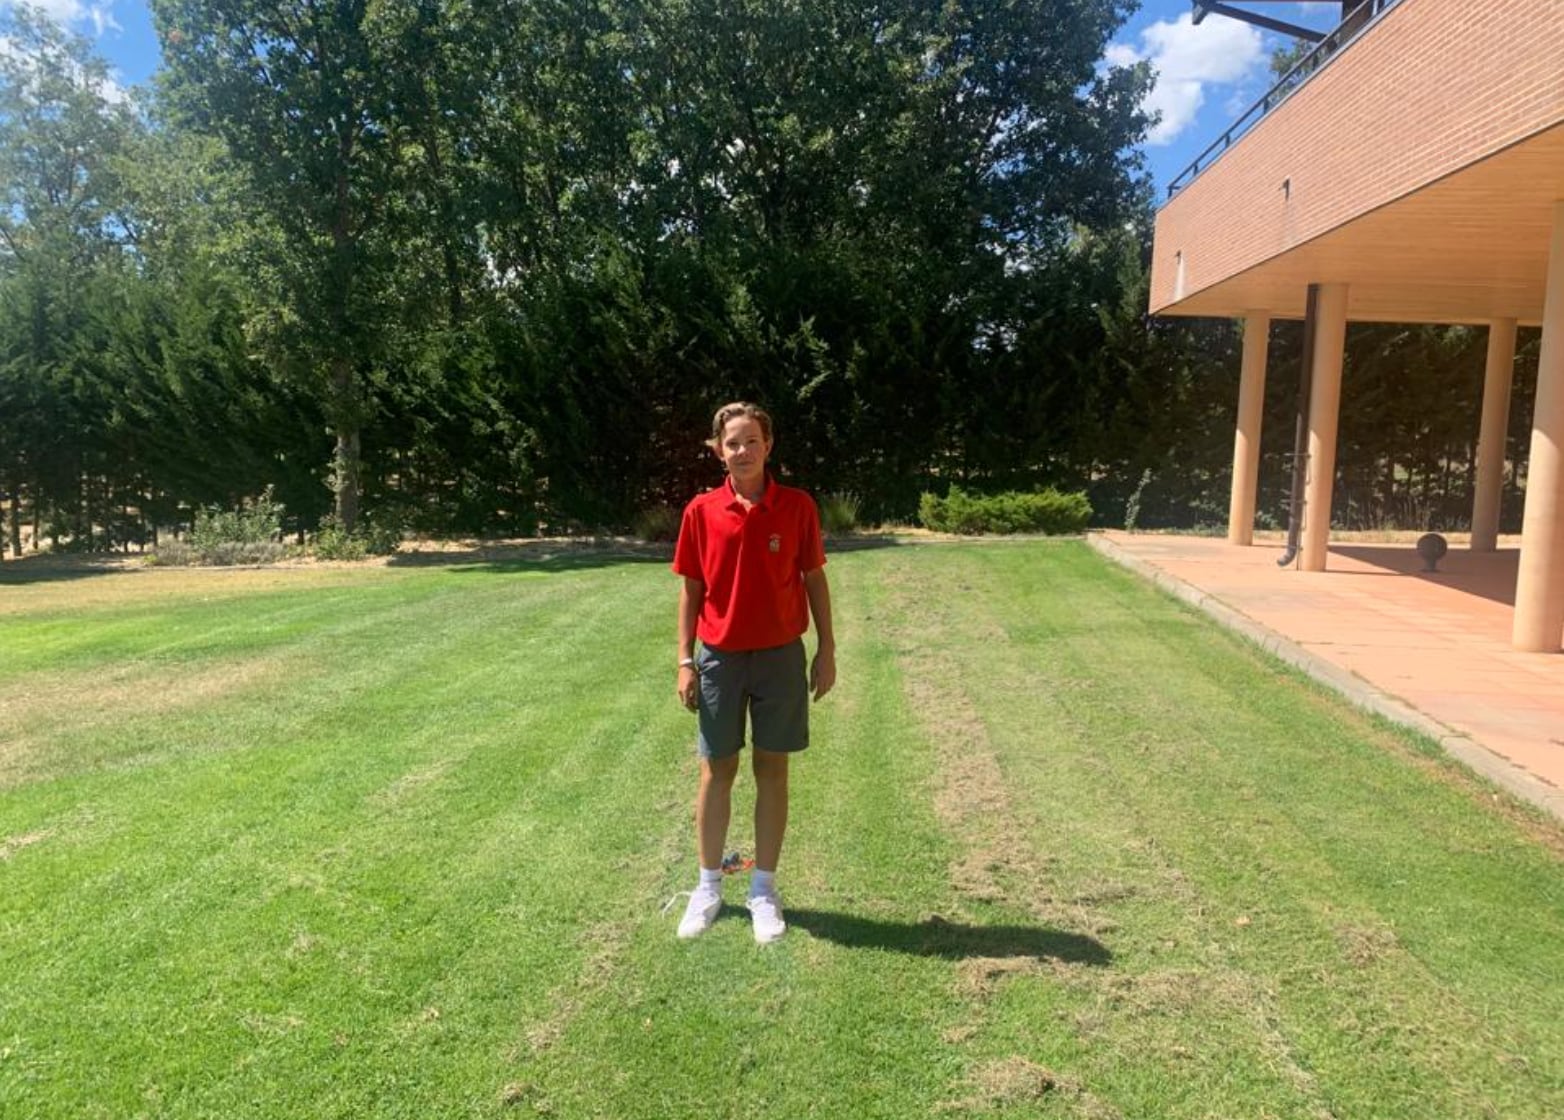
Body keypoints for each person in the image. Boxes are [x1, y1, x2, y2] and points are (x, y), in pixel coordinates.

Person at [671, 401, 835, 944]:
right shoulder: (700, 511)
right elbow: (691, 590)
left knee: (773, 770)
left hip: (781, 657)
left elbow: (814, 580)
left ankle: (763, 889)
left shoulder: (797, 507)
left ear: (769, 446)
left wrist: (826, 649)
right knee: (717, 771)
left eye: (751, 441)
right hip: (718, 658)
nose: (742, 451)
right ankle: (709, 887)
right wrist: (686, 660)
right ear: (719, 450)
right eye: (732, 443)